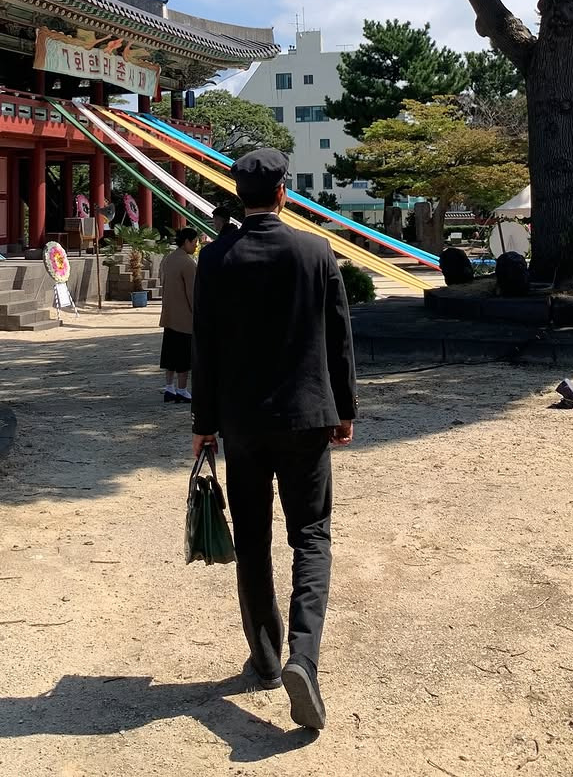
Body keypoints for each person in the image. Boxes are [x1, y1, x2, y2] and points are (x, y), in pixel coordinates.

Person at [192, 148, 357, 732]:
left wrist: (203, 422)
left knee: (254, 538)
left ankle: (264, 656)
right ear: (284, 191)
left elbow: (204, 345)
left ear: (239, 196)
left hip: (242, 422)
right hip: (308, 416)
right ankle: (302, 658)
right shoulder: (315, 251)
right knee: (310, 534)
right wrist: (345, 409)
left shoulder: (215, 258)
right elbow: (338, 336)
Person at [159, 225, 198, 403]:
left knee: (170, 354)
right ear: (187, 242)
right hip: (184, 317)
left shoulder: (168, 259)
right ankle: (182, 389)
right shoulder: (188, 263)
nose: (195, 246)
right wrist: (197, 312)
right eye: (194, 242)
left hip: (169, 314)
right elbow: (192, 292)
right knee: (183, 356)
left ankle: (169, 387)